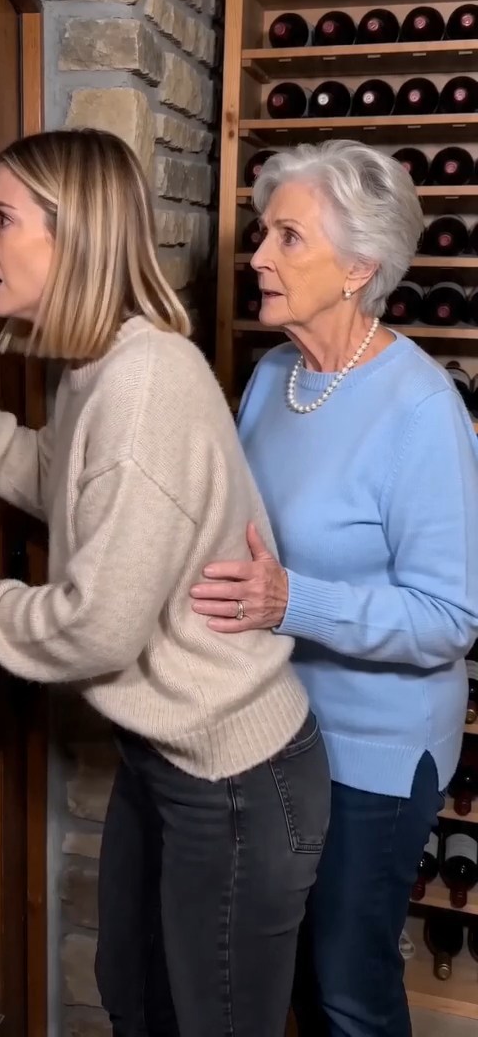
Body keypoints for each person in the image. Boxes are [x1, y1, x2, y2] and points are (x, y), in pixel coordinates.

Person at [0, 128, 330, 1037]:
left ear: (75, 237)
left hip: (236, 777)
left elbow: (97, 626)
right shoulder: (100, 364)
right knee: (135, 995)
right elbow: (68, 491)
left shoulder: (143, 388)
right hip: (179, 760)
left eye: (1, 217)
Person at [191, 139, 478, 1037]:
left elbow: (448, 619)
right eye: (261, 232)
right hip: (275, 728)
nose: (258, 256)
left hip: (375, 755)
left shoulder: (422, 410)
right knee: (285, 974)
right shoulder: (274, 378)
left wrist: (289, 603)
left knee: (347, 984)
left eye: (287, 238)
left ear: (358, 267)